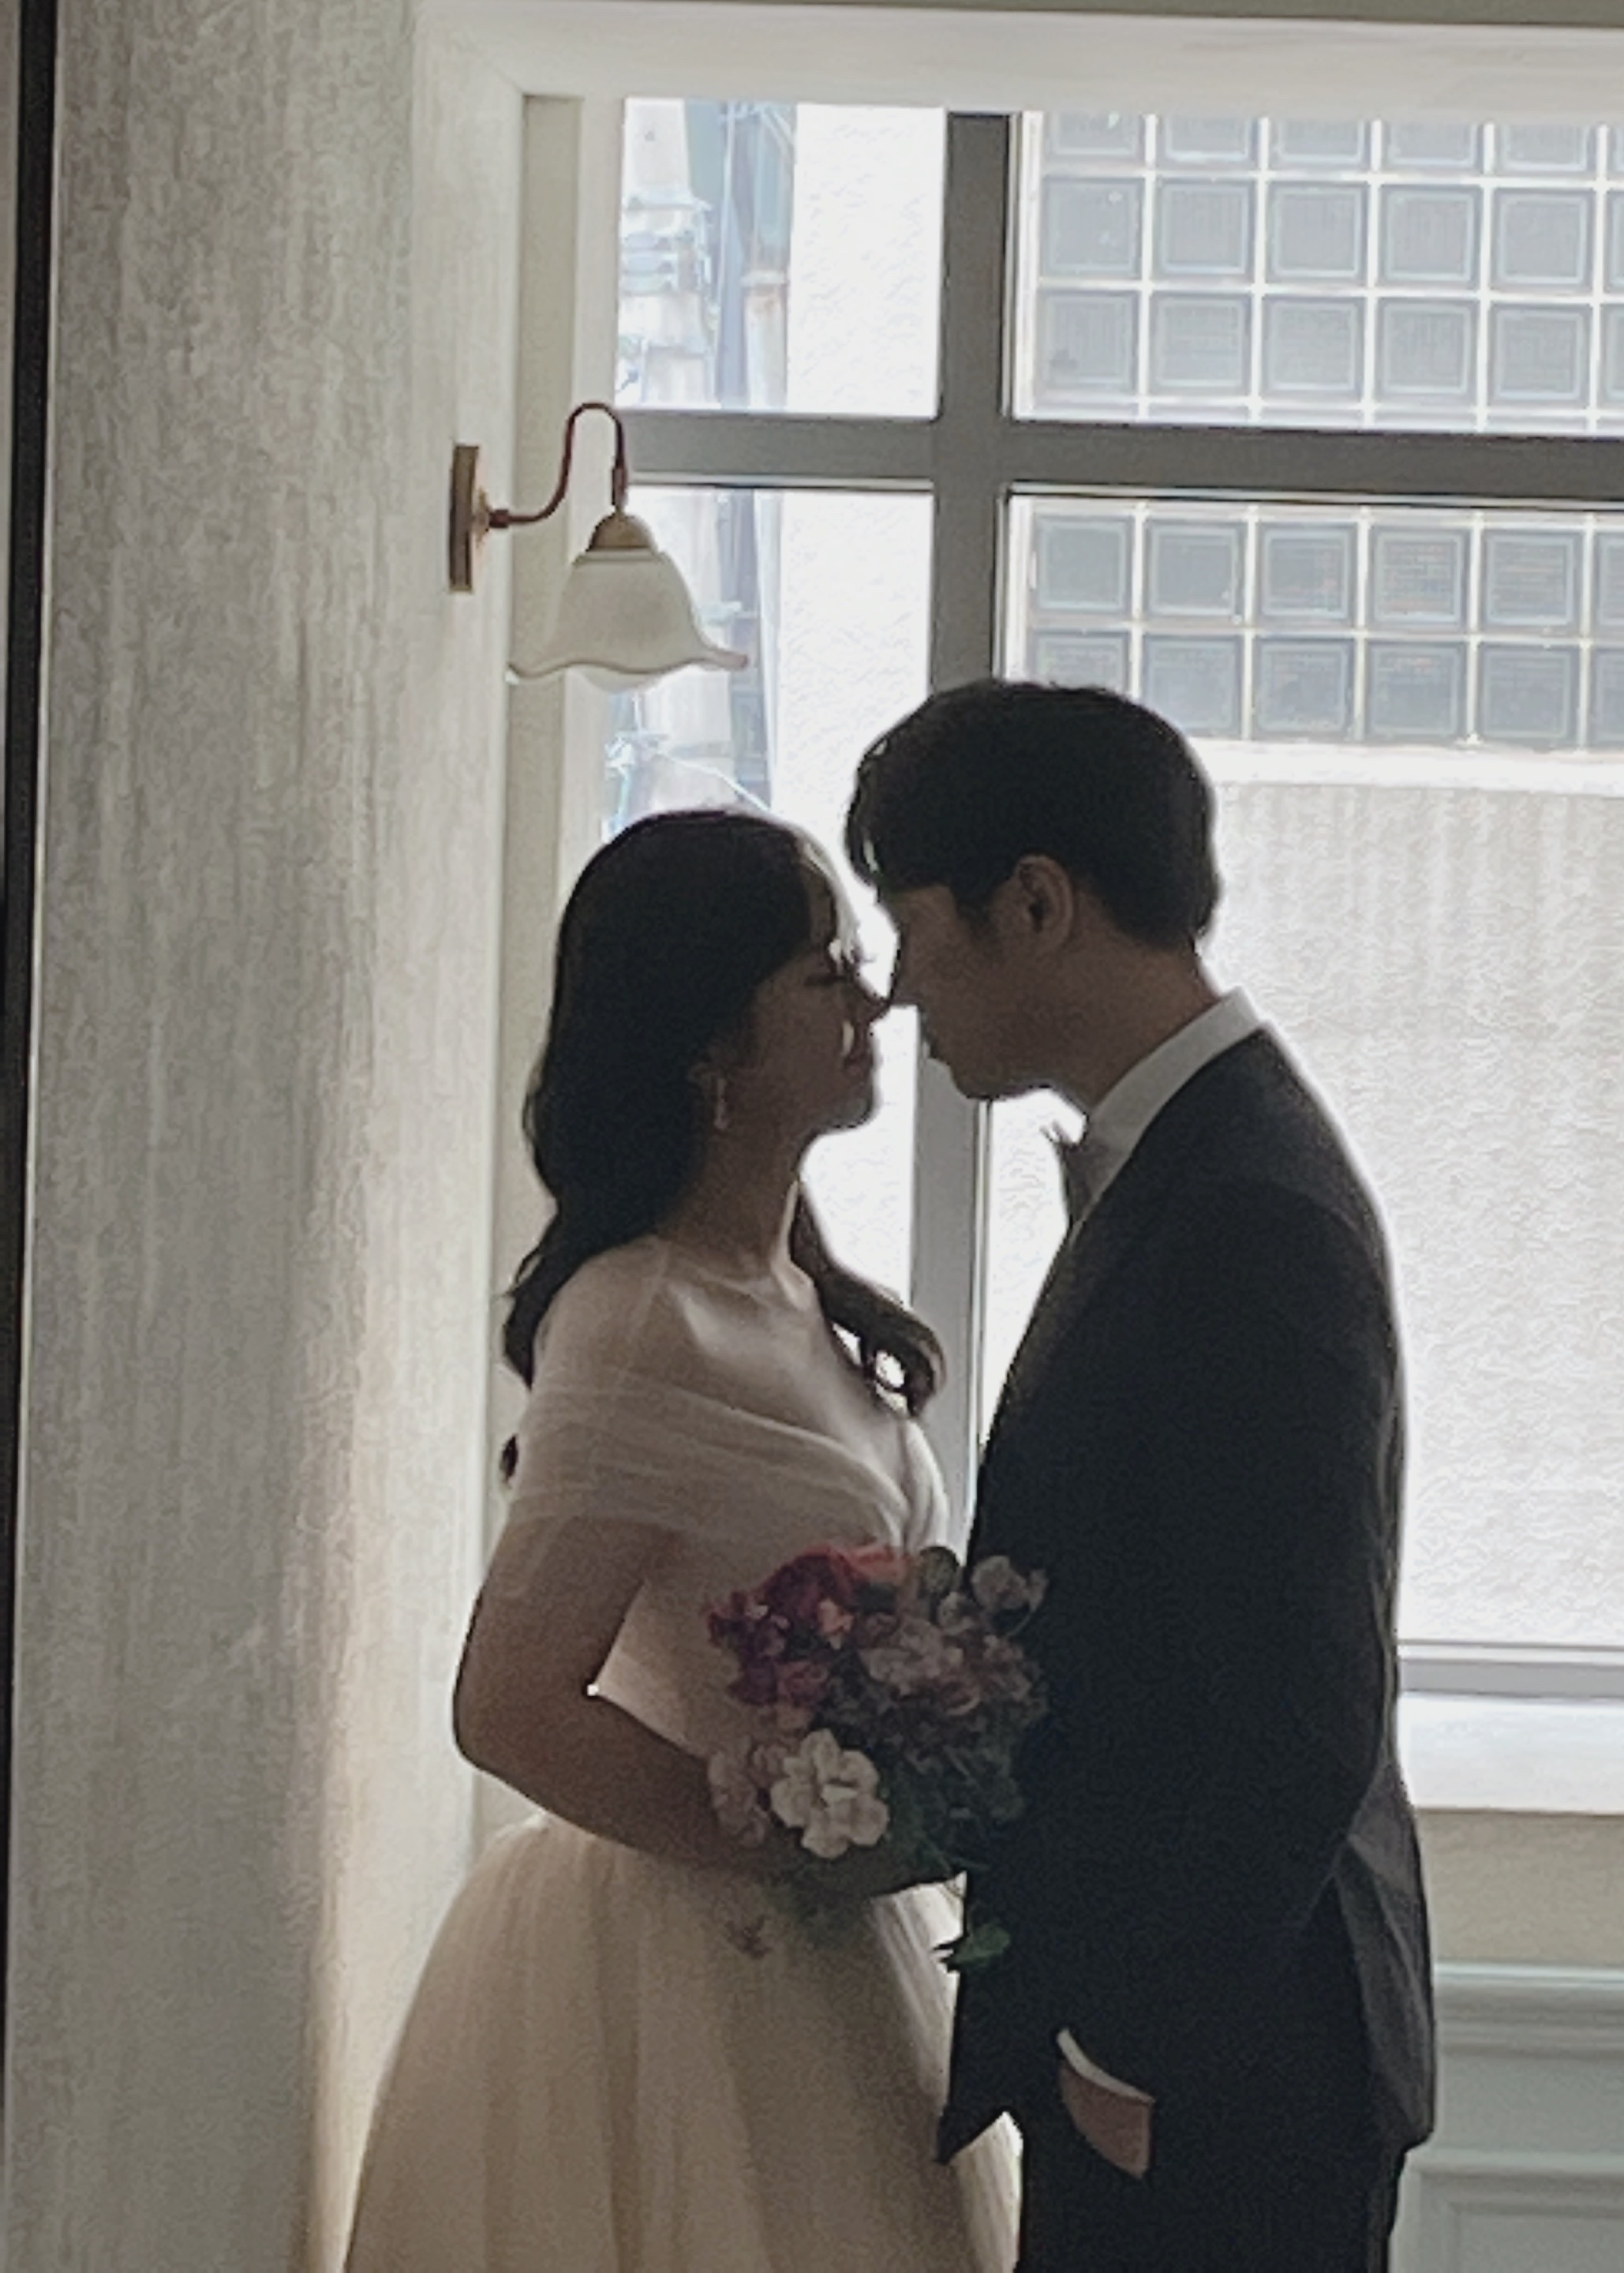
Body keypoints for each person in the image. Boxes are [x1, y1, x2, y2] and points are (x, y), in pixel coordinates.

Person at [342, 808, 1016, 2272]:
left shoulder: (806, 1300)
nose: (872, 1001)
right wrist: (784, 1835)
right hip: (677, 1970)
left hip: (840, 1960)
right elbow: (508, 1705)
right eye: (824, 973)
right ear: (713, 1043)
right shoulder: (643, 1316)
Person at [845, 679, 1435, 2272]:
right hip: (1188, 2052)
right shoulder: (1204, 1158)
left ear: (1037, 904)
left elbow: (1307, 1702)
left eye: (913, 926)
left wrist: (1125, 2050)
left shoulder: (1249, 1207)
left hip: (1225, 2071)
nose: (898, 988)